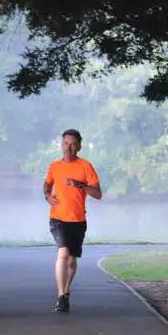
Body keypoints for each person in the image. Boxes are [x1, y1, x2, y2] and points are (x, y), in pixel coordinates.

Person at [43, 129, 102, 313]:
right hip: (57, 218)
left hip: (77, 219)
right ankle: (61, 296)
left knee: (71, 260)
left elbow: (98, 194)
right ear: (62, 145)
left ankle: (66, 290)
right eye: (65, 143)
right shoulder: (54, 166)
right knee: (63, 252)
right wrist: (47, 195)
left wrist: (80, 185)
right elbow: (47, 183)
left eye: (73, 144)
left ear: (79, 147)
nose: (68, 147)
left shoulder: (85, 166)